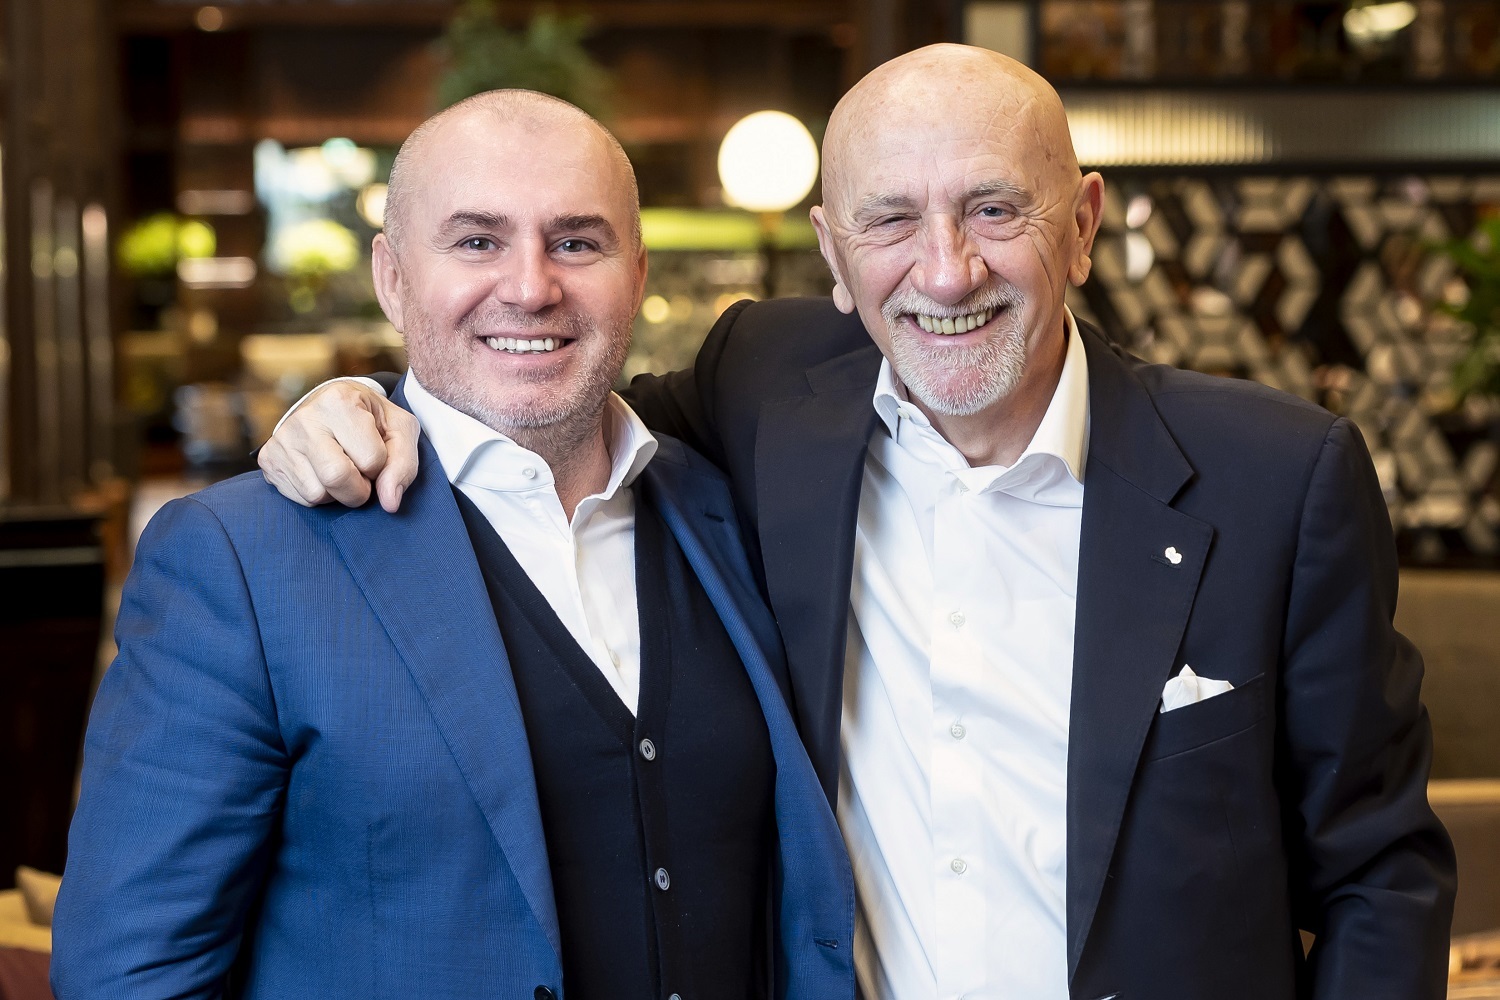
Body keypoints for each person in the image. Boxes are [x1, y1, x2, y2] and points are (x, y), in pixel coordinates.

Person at [259, 46, 1456, 1000]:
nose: (946, 272)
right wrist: (355, 402)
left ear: (1084, 224)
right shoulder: (764, 391)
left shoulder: (1278, 479)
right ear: (833, 255)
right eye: (889, 222)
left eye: (995, 209)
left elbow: (1379, 873)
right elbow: (541, 403)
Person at [51, 91, 854, 1000]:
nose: (530, 287)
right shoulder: (239, 560)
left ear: (636, 274)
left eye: (576, 243)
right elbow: (131, 973)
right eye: (476, 241)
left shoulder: (726, 505)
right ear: (392, 277)